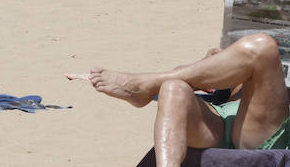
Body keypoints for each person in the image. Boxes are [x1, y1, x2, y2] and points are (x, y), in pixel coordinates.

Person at [88, 34, 290, 162]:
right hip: (221, 117)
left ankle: (146, 85)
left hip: (263, 129)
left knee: (263, 47)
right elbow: (184, 75)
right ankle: (151, 85)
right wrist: (212, 62)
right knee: (173, 88)